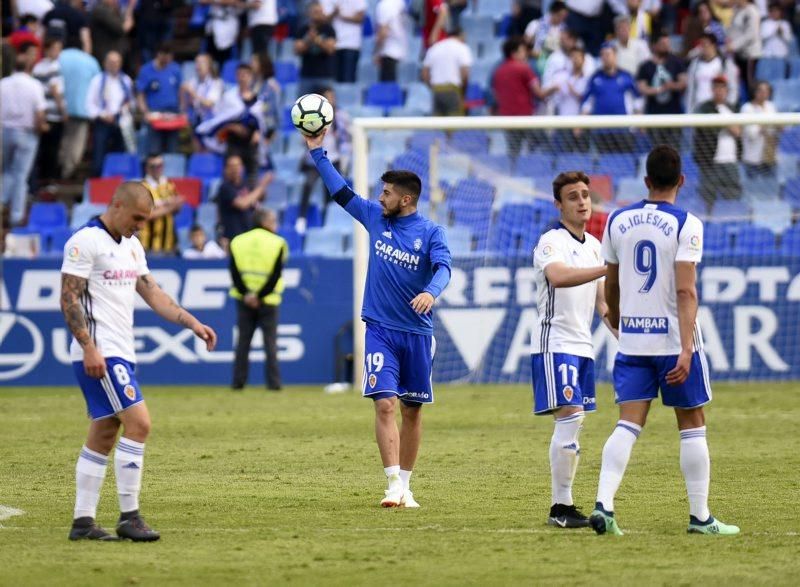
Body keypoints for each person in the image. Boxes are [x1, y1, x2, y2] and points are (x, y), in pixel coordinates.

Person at [589, 145, 739, 536]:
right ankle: (700, 517)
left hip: (634, 342)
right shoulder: (687, 223)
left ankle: (603, 504)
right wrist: (688, 348)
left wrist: (620, 320)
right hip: (673, 342)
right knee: (692, 422)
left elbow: (612, 281)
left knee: (627, 424)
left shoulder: (617, 220)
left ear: (646, 181)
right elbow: (686, 291)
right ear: (682, 181)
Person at [304, 127, 452, 509]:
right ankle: (391, 485)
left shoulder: (431, 232)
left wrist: (430, 292)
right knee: (384, 403)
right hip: (380, 330)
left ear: (405, 200)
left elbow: (444, 269)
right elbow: (341, 192)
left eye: (386, 192)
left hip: (418, 334)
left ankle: (406, 484)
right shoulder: (374, 217)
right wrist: (318, 152)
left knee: (412, 411)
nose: (379, 196)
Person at [60, 181, 217, 541]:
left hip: (120, 350)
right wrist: (88, 347)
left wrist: (192, 323)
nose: (140, 226)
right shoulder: (85, 241)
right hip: (100, 352)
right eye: (136, 218)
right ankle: (129, 516)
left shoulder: (131, 246)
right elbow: (69, 298)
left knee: (104, 432)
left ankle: (83, 523)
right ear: (115, 205)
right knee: (140, 423)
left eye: (145, 220)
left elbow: (152, 292)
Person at [531, 171, 615, 528]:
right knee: (570, 419)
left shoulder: (595, 245)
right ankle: (560, 507)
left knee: (574, 424)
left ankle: (562, 506)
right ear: (559, 204)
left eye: (585, 195)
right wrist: (606, 268)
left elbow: (603, 305)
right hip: (556, 343)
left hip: (583, 347)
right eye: (573, 196)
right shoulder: (551, 240)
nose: (582, 202)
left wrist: (625, 336)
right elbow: (559, 277)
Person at [228, 208, 287, 391]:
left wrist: (247, 294)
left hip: (243, 300)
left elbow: (234, 272)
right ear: (265, 222)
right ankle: (274, 384)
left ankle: (238, 383)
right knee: (270, 343)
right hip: (268, 301)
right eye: (273, 220)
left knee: (243, 343)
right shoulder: (278, 243)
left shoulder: (237, 241)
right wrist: (259, 296)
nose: (276, 224)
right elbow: (276, 274)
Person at [1, 46, 47, 227]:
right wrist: (40, 127)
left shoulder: (3, 83)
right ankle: (16, 215)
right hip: (27, 133)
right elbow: (40, 113)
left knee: (6, 171)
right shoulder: (34, 85)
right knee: (20, 176)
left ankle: (3, 200)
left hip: (5, 131)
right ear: (28, 67)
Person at [297, 86, 351, 234]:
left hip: (333, 159)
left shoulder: (341, 115)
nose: (331, 100)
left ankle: (328, 221)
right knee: (308, 185)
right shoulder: (311, 117)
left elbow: (346, 139)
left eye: (332, 97)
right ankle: (301, 218)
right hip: (314, 159)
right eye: (327, 97)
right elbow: (303, 140)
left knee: (332, 191)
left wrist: (345, 159)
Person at [491, 37, 545, 159]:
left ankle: (514, 172)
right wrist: (555, 88)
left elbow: (494, 93)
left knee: (514, 148)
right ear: (514, 53)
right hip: (525, 118)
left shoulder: (498, 71)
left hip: (506, 118)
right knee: (541, 142)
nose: (526, 54)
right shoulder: (524, 68)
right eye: (522, 51)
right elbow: (539, 93)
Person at [693, 75, 742, 208]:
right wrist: (727, 123)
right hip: (710, 162)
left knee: (732, 198)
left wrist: (725, 123)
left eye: (722, 87)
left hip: (731, 161)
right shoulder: (704, 108)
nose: (719, 91)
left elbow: (738, 132)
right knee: (708, 199)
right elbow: (707, 130)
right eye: (716, 87)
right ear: (712, 89)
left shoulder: (733, 108)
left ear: (727, 90)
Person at [581, 42, 639, 152]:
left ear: (615, 56)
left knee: (624, 162)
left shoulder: (626, 76)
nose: (605, 57)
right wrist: (579, 124)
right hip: (600, 131)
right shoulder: (595, 78)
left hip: (623, 129)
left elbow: (637, 100)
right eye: (602, 55)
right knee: (603, 165)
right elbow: (587, 103)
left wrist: (639, 123)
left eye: (608, 54)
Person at [85, 50, 134, 177]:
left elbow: (130, 101)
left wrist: (125, 108)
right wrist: (102, 115)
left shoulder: (126, 80)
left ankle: (118, 180)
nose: (114, 65)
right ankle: (98, 180)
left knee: (120, 154)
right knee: (99, 155)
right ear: (105, 63)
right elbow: (89, 104)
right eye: (111, 62)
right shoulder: (97, 80)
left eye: (117, 62)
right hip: (103, 120)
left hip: (120, 121)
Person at [636, 32, 687, 147]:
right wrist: (659, 89)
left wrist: (671, 86)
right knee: (656, 148)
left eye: (667, 43)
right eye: (663, 43)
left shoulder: (677, 62)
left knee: (674, 148)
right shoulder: (645, 66)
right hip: (654, 115)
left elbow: (683, 83)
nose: (666, 46)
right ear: (654, 46)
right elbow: (642, 88)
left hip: (674, 115)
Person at [58, 45, 100, 179]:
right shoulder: (91, 61)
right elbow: (98, 85)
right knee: (76, 144)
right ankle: (68, 171)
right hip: (82, 109)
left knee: (63, 140)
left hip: (60, 109)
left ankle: (59, 170)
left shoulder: (59, 57)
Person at [216, 154, 272, 247]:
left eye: (238, 165)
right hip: (233, 238)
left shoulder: (246, 184)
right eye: (232, 166)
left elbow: (261, 198)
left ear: (242, 167)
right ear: (226, 169)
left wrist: (261, 189)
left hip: (249, 235)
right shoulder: (225, 187)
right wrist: (262, 186)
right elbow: (242, 204)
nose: (235, 169)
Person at [136, 42, 183, 156]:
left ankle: (171, 173)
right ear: (159, 54)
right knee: (154, 150)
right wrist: (145, 112)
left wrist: (182, 110)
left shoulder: (175, 69)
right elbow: (140, 94)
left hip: (172, 114)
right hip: (154, 115)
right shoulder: (146, 70)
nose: (168, 60)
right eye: (165, 56)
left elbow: (181, 91)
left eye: (170, 56)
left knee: (172, 150)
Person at [32, 36, 68, 182]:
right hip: (53, 113)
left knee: (43, 148)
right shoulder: (54, 67)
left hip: (42, 112)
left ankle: (40, 178)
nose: (58, 53)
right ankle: (49, 178)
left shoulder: (37, 66)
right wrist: (63, 110)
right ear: (47, 50)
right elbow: (55, 90)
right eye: (55, 49)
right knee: (52, 149)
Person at [421, 27, 472, 116]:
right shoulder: (462, 48)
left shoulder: (435, 48)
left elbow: (425, 73)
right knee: (454, 124)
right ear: (461, 36)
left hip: (437, 90)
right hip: (453, 89)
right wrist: (462, 93)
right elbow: (465, 72)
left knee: (438, 125)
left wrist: (432, 87)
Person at [140, 153, 184, 255]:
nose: (157, 169)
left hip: (169, 243)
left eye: (159, 166)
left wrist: (174, 205)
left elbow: (178, 208)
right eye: (153, 166)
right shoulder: (142, 187)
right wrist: (170, 205)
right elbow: (146, 215)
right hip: (149, 244)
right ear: (147, 168)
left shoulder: (169, 184)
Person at [686, 33, 738, 113]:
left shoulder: (725, 64)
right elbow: (691, 89)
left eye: (705, 44)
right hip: (699, 108)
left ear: (713, 45)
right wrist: (689, 111)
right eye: (701, 45)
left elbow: (732, 87)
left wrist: (729, 108)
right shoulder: (695, 64)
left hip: (718, 108)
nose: (703, 48)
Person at [294, 2, 337, 96]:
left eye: (321, 12)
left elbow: (330, 50)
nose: (319, 14)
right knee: (303, 106)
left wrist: (317, 40)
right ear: (309, 13)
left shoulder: (329, 29)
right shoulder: (302, 30)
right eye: (316, 12)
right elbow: (297, 50)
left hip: (325, 75)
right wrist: (308, 40)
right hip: (307, 75)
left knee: (326, 107)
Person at [740, 80, 778, 178]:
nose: (763, 93)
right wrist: (764, 125)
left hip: (770, 157)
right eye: (760, 90)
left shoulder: (771, 107)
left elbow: (774, 130)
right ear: (755, 92)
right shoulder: (747, 108)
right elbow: (750, 133)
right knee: (751, 190)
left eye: (766, 91)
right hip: (753, 158)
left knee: (770, 191)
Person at [325, 0, 367, 83]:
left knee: (348, 79)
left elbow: (360, 18)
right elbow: (323, 19)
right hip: (334, 44)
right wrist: (334, 12)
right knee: (333, 80)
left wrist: (342, 16)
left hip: (351, 44)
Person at [726, 0, 761, 99]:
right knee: (739, 82)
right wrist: (728, 40)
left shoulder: (752, 11)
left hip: (749, 53)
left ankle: (754, 106)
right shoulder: (736, 10)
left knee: (749, 82)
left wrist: (734, 45)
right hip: (738, 53)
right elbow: (733, 29)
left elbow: (751, 34)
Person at [180, 54, 224, 128]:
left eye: (202, 62)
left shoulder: (216, 82)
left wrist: (192, 93)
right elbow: (185, 106)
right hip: (195, 121)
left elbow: (209, 103)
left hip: (211, 123)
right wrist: (182, 92)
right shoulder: (193, 81)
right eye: (197, 62)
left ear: (209, 66)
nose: (198, 65)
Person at [89, 0, 134, 66]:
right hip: (106, 54)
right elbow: (121, 29)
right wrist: (129, 19)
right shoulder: (101, 10)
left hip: (116, 53)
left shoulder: (111, 9)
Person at [374, 0, 408, 82]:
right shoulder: (399, 3)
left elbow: (383, 31)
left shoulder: (384, 5)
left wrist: (376, 52)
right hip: (400, 50)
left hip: (388, 52)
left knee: (387, 89)